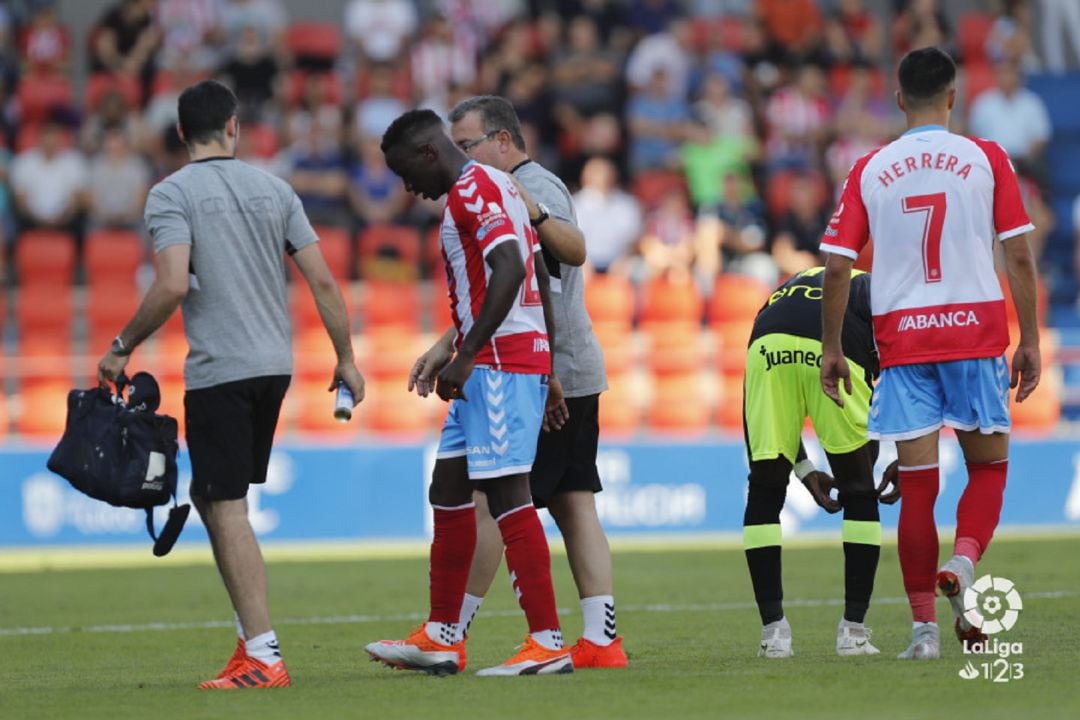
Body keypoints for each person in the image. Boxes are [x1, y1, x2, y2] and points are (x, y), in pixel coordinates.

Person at [97, 80, 365, 689]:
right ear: (234, 127)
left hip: (222, 368)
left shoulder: (170, 194)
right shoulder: (275, 189)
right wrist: (346, 358)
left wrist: (121, 347)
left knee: (227, 507)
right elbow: (323, 281)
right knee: (220, 505)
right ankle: (251, 645)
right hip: (276, 365)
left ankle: (266, 656)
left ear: (180, 134)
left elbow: (169, 286)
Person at [819, 47, 1041, 660]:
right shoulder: (986, 158)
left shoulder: (869, 167)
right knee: (989, 469)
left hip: (904, 343)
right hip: (974, 332)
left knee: (917, 491)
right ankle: (964, 562)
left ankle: (922, 634)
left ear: (898, 100)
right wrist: (1031, 338)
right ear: (953, 96)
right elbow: (1019, 255)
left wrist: (833, 348)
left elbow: (838, 267)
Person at [365, 108, 571, 677]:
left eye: (407, 172)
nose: (409, 187)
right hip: (502, 360)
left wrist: (469, 353)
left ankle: (548, 642)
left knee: (508, 493)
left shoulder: (472, 190)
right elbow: (536, 274)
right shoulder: (501, 185)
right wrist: (548, 367)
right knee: (448, 486)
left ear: (429, 152)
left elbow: (509, 268)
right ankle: (441, 636)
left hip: (498, 362)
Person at [442, 95, 626, 668]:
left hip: (548, 370)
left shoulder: (531, 184)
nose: (462, 160)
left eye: (467, 146)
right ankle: (600, 640)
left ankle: (450, 633)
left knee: (496, 500)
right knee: (573, 502)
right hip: (567, 365)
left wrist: (536, 213)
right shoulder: (505, 188)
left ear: (503, 140)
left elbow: (570, 253)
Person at [744, 267, 886, 658]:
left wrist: (804, 470)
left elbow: (763, 430)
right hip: (836, 343)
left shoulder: (791, 283)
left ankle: (774, 635)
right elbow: (898, 380)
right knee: (860, 490)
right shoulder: (877, 288)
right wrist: (904, 458)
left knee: (764, 488)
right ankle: (852, 633)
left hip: (766, 346)